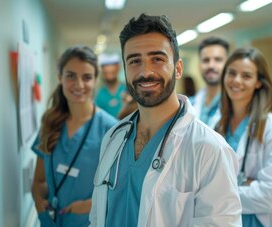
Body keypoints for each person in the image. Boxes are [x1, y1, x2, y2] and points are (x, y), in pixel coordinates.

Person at [89, 13, 242, 227]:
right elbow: (97, 216)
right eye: (134, 61)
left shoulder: (209, 149)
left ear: (178, 68)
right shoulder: (113, 139)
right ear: (125, 69)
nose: (145, 71)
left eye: (157, 59)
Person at [31, 46, 118, 227]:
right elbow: (39, 181)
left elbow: (122, 190)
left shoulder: (111, 129)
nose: (79, 85)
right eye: (71, 76)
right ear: (60, 78)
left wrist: (90, 205)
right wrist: (40, 204)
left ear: (95, 81)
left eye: (87, 77)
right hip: (51, 221)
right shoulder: (50, 123)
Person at [215, 47, 272, 227]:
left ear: (258, 82)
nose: (237, 81)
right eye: (232, 73)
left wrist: (220, 192)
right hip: (225, 219)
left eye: (246, 76)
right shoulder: (218, 124)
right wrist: (247, 184)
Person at [190, 37, 229, 129]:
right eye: (206, 60)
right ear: (199, 65)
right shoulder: (190, 104)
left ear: (228, 64)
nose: (211, 65)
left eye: (218, 59)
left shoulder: (236, 106)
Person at [95, 53, 126, 119]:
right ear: (102, 70)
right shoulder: (100, 94)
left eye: (112, 72)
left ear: (118, 68)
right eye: (107, 73)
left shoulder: (127, 89)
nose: (109, 75)